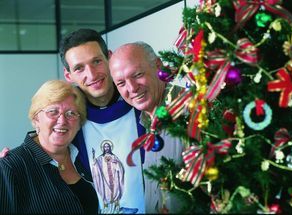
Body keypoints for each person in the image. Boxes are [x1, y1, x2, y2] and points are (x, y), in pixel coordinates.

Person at [59, 29, 145, 213]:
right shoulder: (68, 121)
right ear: (68, 75)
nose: (91, 75)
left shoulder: (143, 100)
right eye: (79, 68)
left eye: (96, 61)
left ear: (110, 58)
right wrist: (16, 159)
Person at [0, 80, 98, 214]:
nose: (62, 120)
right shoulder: (10, 167)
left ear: (79, 122)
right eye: (53, 111)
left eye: (71, 113)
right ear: (36, 119)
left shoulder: (85, 157)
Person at [109, 41, 185, 213]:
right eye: (121, 83)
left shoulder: (192, 112)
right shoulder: (147, 121)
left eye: (137, 75)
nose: (132, 88)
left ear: (158, 66)